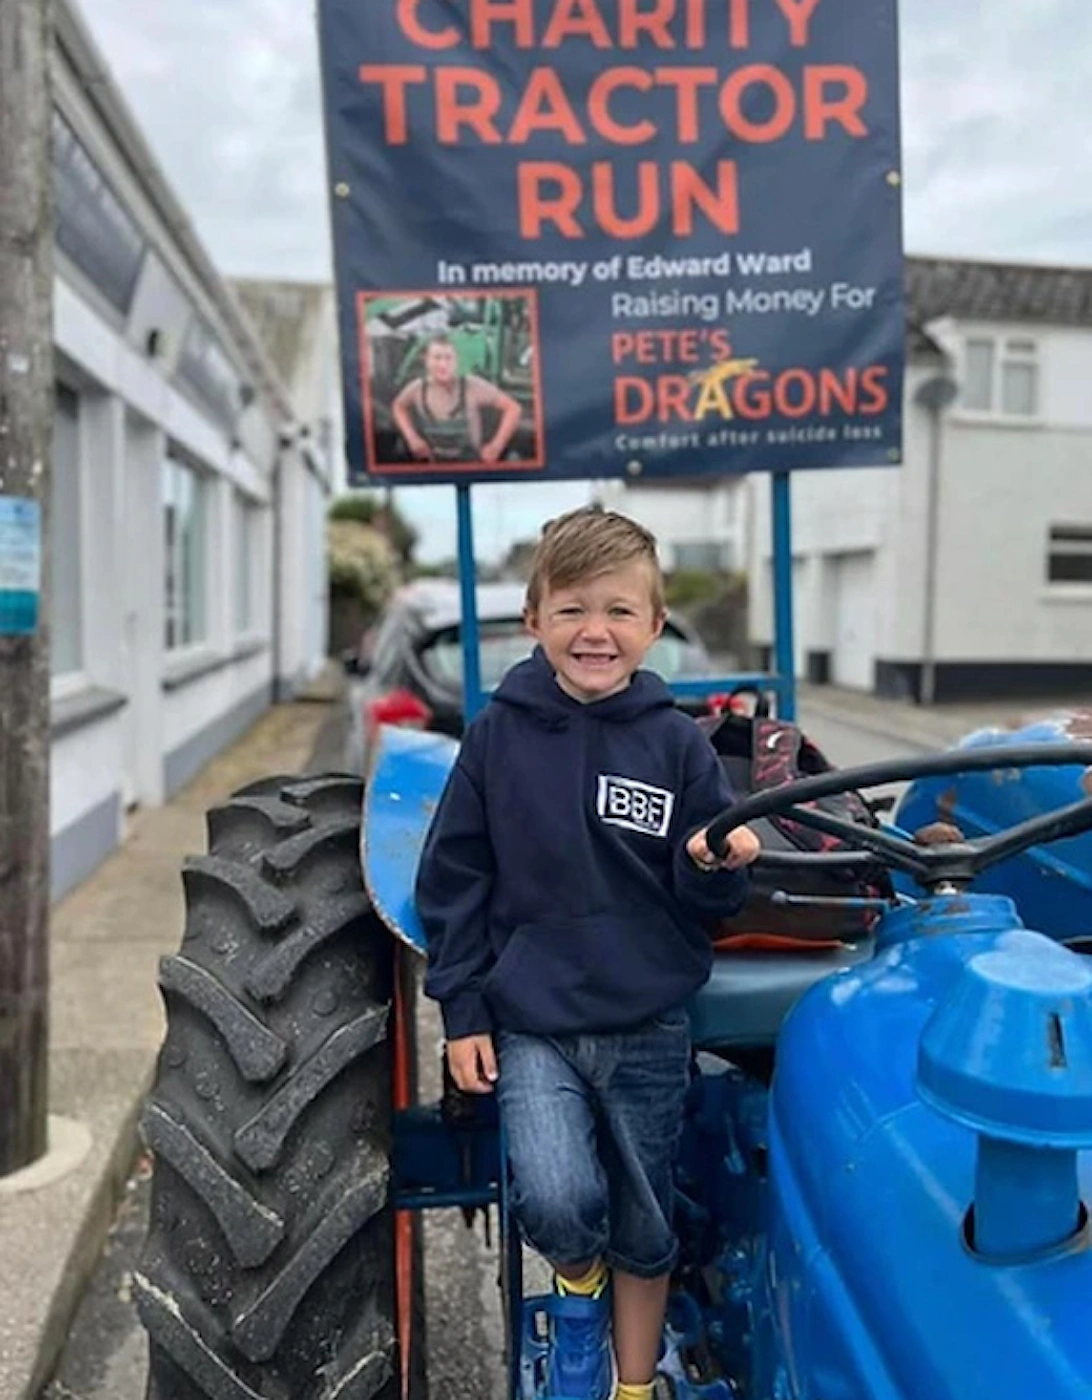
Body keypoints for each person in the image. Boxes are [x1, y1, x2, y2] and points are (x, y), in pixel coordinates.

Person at [416, 507, 761, 1400]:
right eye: (570, 610)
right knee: (561, 1199)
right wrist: (463, 1012)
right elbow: (453, 879)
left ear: (654, 628)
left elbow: (706, 898)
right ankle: (576, 1296)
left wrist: (717, 869)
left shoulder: (680, 745)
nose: (594, 631)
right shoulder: (497, 738)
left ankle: (632, 1384)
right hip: (534, 1023)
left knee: (646, 1218)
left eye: (618, 611)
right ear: (533, 621)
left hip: (647, 1020)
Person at [391, 333, 523, 464]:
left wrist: (496, 447)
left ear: (456, 361)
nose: (443, 364)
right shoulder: (417, 389)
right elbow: (398, 406)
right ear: (426, 360)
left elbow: (513, 408)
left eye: (448, 358)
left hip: (470, 464)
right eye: (437, 358)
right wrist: (412, 438)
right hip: (433, 464)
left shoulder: (473, 386)